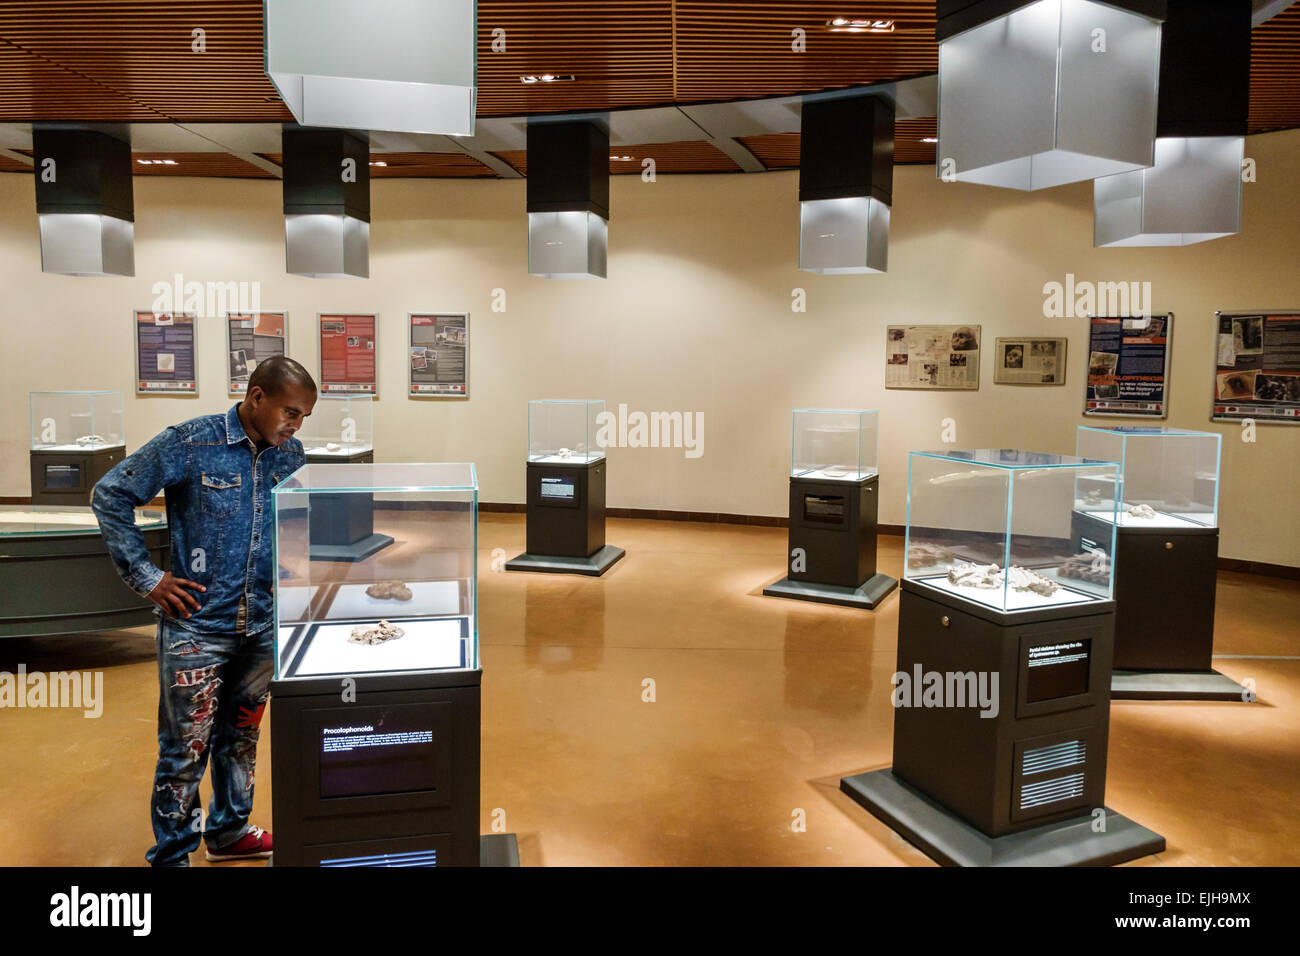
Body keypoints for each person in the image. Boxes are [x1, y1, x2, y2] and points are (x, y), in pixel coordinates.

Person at [92, 356, 317, 866]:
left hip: (262, 625)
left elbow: (296, 529)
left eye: (304, 416)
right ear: (256, 397)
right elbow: (110, 493)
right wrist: (148, 578)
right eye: (289, 412)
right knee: (184, 749)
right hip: (197, 627)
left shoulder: (291, 455)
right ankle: (173, 854)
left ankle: (229, 830)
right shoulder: (192, 443)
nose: (296, 425)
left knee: (242, 735)